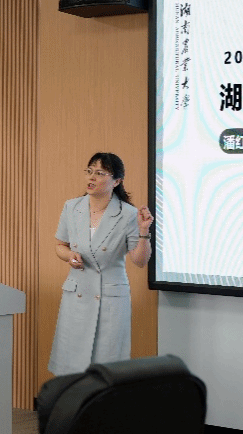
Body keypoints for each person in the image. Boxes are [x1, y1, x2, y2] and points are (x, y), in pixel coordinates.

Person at [48, 152, 153, 376]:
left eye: (100, 173)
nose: (91, 177)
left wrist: (144, 231)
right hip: (77, 294)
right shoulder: (72, 207)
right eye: (89, 171)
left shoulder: (128, 214)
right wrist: (69, 256)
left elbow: (140, 261)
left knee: (107, 367)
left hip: (110, 298)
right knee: (72, 366)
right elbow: (60, 245)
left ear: (116, 181)